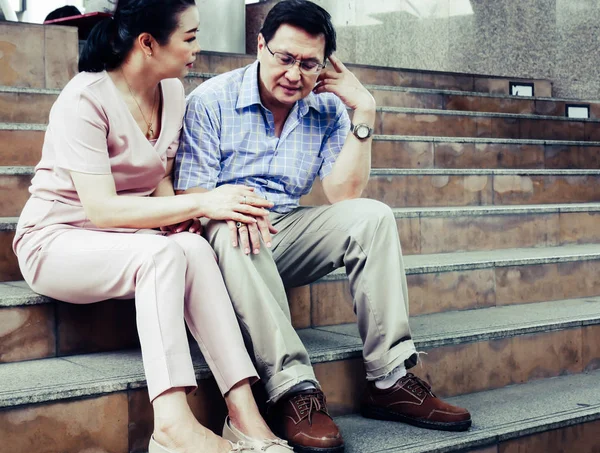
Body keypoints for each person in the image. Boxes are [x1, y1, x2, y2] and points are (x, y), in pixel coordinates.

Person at [174, 1, 473, 452]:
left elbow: (343, 195)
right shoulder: (211, 101)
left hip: (287, 231)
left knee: (373, 216)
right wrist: (233, 207)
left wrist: (364, 111)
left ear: (326, 65)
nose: (295, 74)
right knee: (237, 229)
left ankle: (389, 379)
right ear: (260, 46)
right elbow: (190, 201)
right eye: (285, 58)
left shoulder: (328, 110)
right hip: (225, 233)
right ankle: (294, 390)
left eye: (309, 63)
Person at [13, 1, 293, 453]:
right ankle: (171, 426)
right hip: (56, 239)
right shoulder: (84, 98)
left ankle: (245, 416)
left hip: (127, 239)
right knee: (162, 255)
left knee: (194, 249)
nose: (197, 48)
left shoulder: (173, 92)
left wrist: (182, 218)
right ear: (147, 43)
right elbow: (101, 210)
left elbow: (157, 174)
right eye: (189, 37)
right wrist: (204, 201)